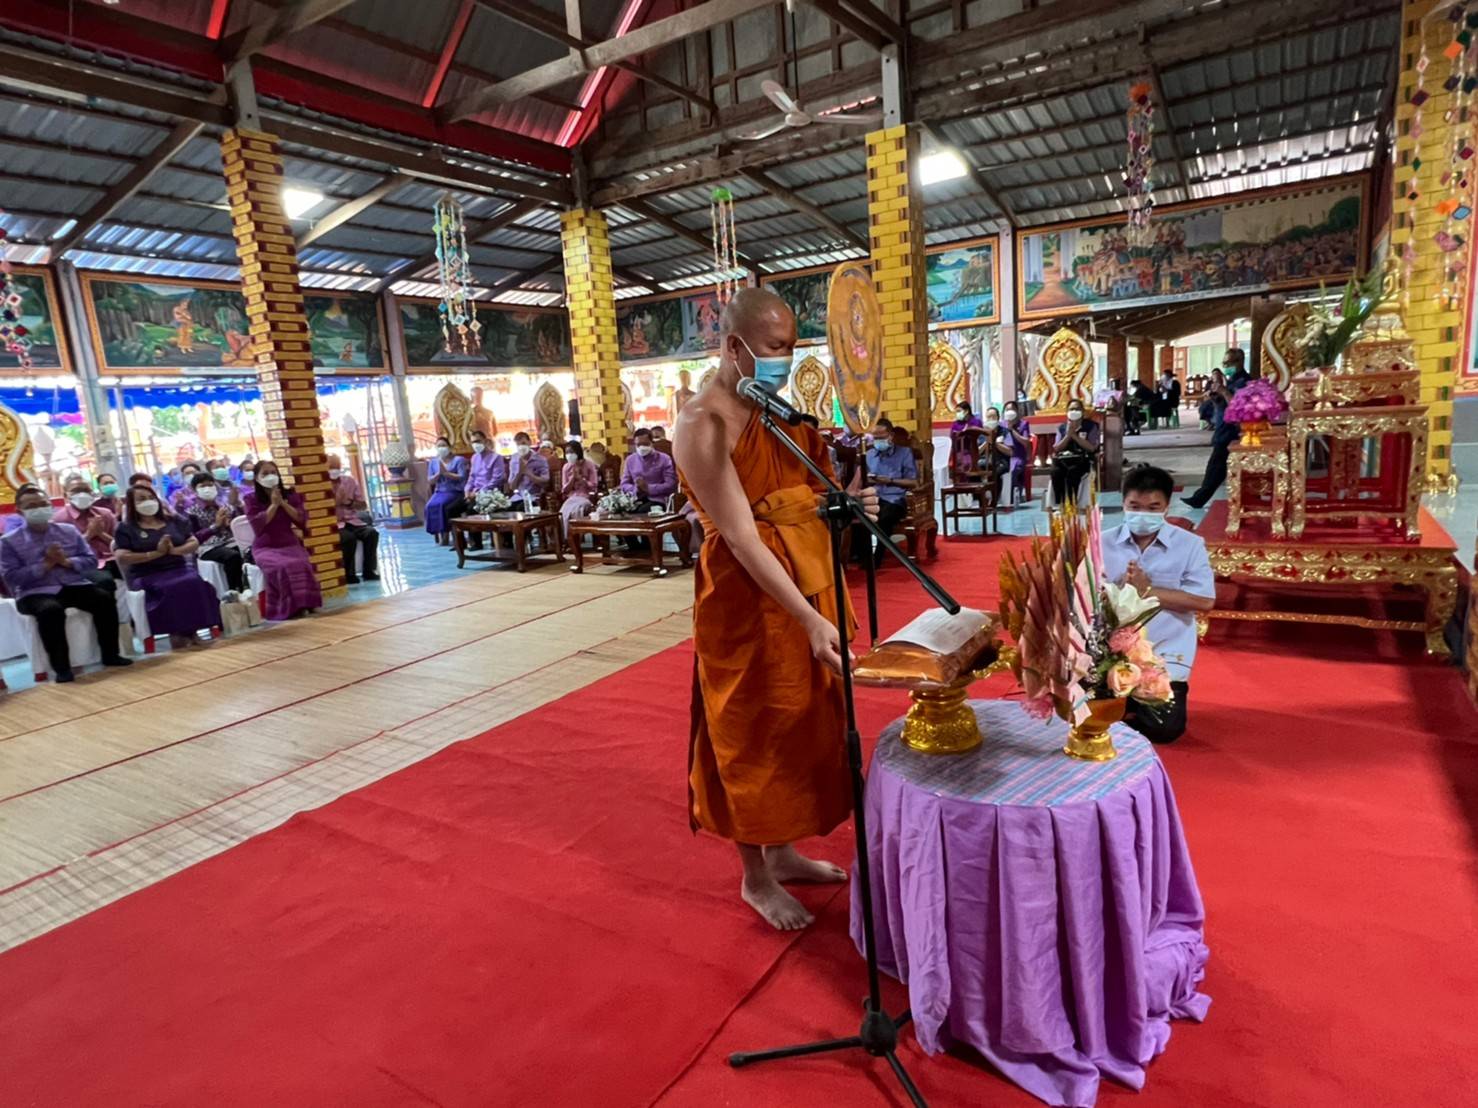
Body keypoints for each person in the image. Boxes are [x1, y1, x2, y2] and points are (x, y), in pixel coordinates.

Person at [674, 286, 879, 930]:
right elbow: (739, 533)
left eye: (792, 347)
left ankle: (784, 851)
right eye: (775, 348)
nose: (786, 360)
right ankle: (754, 876)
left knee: (800, 720)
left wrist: (838, 505)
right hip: (745, 596)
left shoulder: (771, 412)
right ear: (735, 347)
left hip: (802, 583)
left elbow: (789, 501)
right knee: (748, 729)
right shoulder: (701, 424)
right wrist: (809, 617)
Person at [1101, 465, 1215, 743]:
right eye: (1135, 506)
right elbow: (1084, 593)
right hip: (1108, 651)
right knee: (1077, 714)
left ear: (1166, 505)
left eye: (1153, 508)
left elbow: (1204, 600)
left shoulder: (1189, 545)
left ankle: (1132, 706)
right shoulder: (1101, 542)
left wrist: (1147, 590)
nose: (1143, 515)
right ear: (1123, 501)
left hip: (1162, 653)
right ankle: (1123, 704)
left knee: (1165, 729)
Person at [0, 487, 132, 681]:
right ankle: (62, 668)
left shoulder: (68, 531)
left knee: (103, 598)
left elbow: (90, 561)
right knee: (50, 610)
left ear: (51, 506)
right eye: (31, 506)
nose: (39, 509)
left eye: (43, 504)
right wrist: (45, 565)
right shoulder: (9, 542)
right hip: (34, 592)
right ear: (19, 511)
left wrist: (66, 562)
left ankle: (110, 654)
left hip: (72, 584)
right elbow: (11, 577)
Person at [112, 484, 222, 649]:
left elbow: (192, 541)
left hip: (178, 567)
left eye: (151, 498)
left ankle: (193, 632)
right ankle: (177, 634)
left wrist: (175, 550)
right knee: (172, 587)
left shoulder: (173, 520)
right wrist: (155, 554)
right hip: (147, 573)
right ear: (132, 504)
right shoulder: (126, 528)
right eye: (141, 499)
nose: (148, 502)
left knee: (194, 582)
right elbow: (122, 557)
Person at [243, 461, 322, 620]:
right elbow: (258, 525)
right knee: (282, 566)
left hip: (289, 542)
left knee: (301, 563)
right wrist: (273, 505)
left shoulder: (291, 495)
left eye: (273, 472)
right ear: (257, 479)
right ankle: (288, 608)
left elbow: (301, 520)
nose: (270, 476)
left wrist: (283, 504)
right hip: (266, 547)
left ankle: (307, 603)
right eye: (265, 474)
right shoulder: (250, 499)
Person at [1182, 353, 1250, 509]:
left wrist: (1224, 391)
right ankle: (1200, 497)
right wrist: (1215, 397)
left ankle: (1200, 498)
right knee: (1216, 466)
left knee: (1216, 465)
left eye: (1229, 363)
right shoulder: (1231, 381)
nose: (1226, 367)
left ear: (1240, 361)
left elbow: (1239, 407)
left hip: (1232, 431)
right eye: (1224, 363)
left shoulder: (1245, 382)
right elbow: (1224, 405)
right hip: (1223, 428)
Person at [853, 418, 917, 567]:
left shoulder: (904, 453)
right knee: (858, 514)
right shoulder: (868, 455)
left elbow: (913, 482)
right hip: (873, 496)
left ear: (891, 435)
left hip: (896, 499)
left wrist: (889, 480)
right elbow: (860, 480)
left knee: (885, 518)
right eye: (875, 438)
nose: (878, 441)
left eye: (881, 437)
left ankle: (877, 558)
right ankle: (861, 555)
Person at [178, 471, 246, 593]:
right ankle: (234, 591)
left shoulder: (224, 506)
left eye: (210, 485)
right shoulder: (191, 512)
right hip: (206, 547)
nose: (207, 489)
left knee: (247, 551)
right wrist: (216, 525)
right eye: (202, 486)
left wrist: (228, 524)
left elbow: (239, 525)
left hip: (228, 541)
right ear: (194, 490)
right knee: (232, 556)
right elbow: (193, 537)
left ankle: (248, 588)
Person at [328, 454, 379, 584]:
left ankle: (369, 571)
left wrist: (349, 503)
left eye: (337, 467)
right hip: (335, 523)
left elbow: (363, 505)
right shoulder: (322, 486)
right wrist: (335, 501)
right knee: (348, 538)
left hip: (353, 520)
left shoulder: (349, 481)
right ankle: (348, 574)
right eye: (331, 467)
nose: (334, 470)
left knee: (371, 533)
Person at [54, 475, 119, 575]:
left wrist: (101, 534)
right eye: (76, 491)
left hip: (113, 559)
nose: (82, 494)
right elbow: (65, 553)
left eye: (86, 490)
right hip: (85, 565)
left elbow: (121, 545)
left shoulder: (105, 514)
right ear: (66, 495)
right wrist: (89, 534)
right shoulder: (60, 519)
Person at [1049, 400, 1100, 507]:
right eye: (1071, 409)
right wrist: (1068, 435)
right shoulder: (1061, 428)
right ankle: (1060, 502)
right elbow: (1057, 448)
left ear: (1082, 411)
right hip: (1064, 458)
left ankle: (1071, 502)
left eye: (1077, 409)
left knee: (1073, 472)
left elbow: (1091, 448)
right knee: (1056, 471)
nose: (1074, 411)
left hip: (1083, 459)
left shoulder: (1091, 426)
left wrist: (1075, 436)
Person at [619, 428, 678, 511]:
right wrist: (636, 489)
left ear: (652, 443)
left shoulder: (664, 459)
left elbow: (671, 484)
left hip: (658, 500)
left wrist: (648, 488)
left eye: (645, 444)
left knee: (641, 511)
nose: (642, 447)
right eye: (638, 445)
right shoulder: (630, 460)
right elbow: (624, 484)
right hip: (635, 499)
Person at [425, 436, 467, 545]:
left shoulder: (459, 460)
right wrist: (438, 475)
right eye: (439, 446)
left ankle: (446, 533)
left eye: (443, 445)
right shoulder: (433, 462)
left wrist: (447, 474)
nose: (441, 448)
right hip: (440, 491)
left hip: (454, 491)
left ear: (449, 447)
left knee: (442, 505)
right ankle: (440, 532)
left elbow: (462, 476)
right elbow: (430, 480)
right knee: (429, 506)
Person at [559, 439, 599, 524]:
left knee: (577, 511)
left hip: (586, 497)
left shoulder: (589, 465)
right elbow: (565, 490)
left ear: (578, 452)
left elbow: (594, 485)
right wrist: (572, 478)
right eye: (567, 453)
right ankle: (567, 536)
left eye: (571, 452)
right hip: (571, 498)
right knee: (563, 514)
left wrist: (582, 480)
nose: (569, 455)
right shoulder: (566, 467)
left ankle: (578, 533)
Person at [1000, 403, 1034, 504]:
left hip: (1017, 455)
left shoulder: (1023, 424)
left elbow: (1026, 441)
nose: (1009, 412)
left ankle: (1013, 495)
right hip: (1004, 455)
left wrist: (1012, 430)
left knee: (1013, 469)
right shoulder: (1001, 425)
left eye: (1012, 409)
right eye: (1007, 409)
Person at [505, 431, 550, 507]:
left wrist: (528, 473)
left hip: (534, 497)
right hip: (518, 497)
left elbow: (545, 482)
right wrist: (520, 472)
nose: (521, 447)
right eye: (518, 444)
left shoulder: (540, 460)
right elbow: (512, 486)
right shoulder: (514, 459)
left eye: (523, 443)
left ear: (529, 442)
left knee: (522, 507)